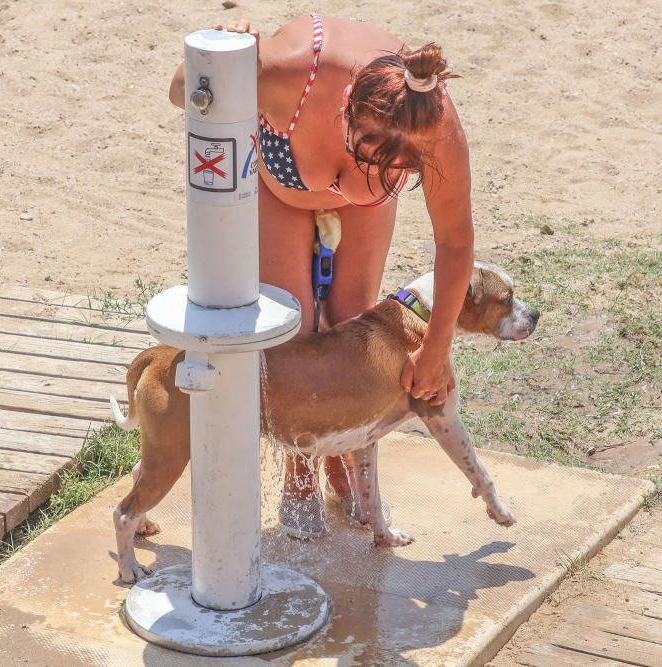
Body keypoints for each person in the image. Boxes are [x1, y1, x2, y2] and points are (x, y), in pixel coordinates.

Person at [169, 15, 473, 538]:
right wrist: (231, 54)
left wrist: (437, 347)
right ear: (346, 108)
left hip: (363, 210)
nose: (362, 179)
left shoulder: (433, 123)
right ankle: (300, 476)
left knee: (357, 327)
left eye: (396, 169)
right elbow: (181, 90)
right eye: (366, 156)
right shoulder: (289, 72)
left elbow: (455, 242)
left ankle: (346, 461)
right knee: (294, 329)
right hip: (279, 183)